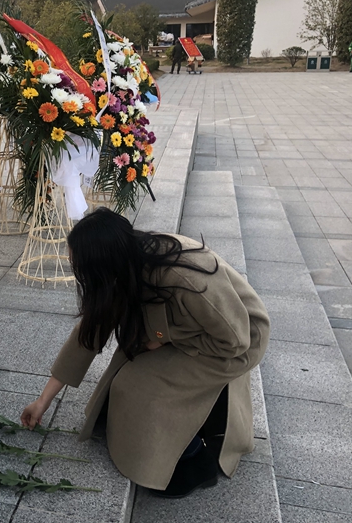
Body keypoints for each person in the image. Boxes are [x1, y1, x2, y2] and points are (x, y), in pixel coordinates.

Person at [21, 208, 271, 498]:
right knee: (125, 374)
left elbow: (235, 339)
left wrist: (166, 339)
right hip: (197, 334)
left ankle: (195, 458)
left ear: (103, 265)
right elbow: (86, 336)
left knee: (140, 388)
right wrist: (43, 401)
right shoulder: (125, 264)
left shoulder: (185, 276)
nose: (76, 271)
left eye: (80, 267)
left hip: (236, 342)